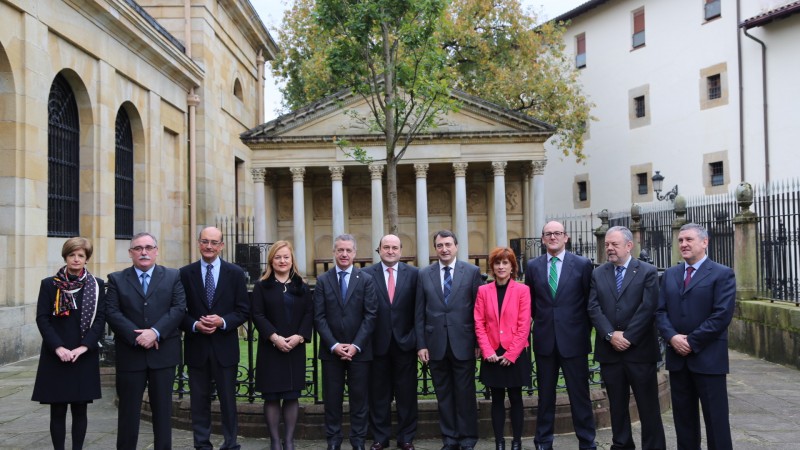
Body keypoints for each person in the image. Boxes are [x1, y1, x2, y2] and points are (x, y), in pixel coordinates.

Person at [655, 223, 736, 450]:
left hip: (709, 360)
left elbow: (721, 316)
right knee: (684, 422)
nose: (683, 244)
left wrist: (691, 341)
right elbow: (660, 311)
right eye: (680, 240)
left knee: (716, 422)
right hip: (678, 361)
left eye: (689, 239)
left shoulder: (722, 274)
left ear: (704, 242)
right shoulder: (670, 274)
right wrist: (672, 338)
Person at [587, 226, 666, 450]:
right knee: (617, 406)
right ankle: (621, 445)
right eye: (607, 245)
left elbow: (649, 307)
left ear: (629, 246)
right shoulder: (598, 272)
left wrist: (628, 337)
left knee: (648, 406)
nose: (609, 248)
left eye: (614, 244)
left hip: (640, 351)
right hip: (610, 352)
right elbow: (593, 308)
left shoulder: (647, 271)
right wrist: (611, 335)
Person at [105, 232, 186, 450]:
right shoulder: (116, 279)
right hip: (131, 356)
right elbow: (112, 312)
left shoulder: (172, 276)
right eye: (138, 248)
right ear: (130, 253)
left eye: (148, 247)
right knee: (128, 413)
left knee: (162, 413)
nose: (144, 252)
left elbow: (178, 309)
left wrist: (156, 332)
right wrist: (138, 337)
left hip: (163, 355)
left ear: (156, 251)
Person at [524, 221, 596, 450]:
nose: (553, 237)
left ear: (566, 237)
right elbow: (531, 304)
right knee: (546, 396)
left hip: (574, 340)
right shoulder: (533, 266)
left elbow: (589, 303)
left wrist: (582, 331)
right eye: (548, 234)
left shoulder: (583, 264)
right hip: (545, 340)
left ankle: (586, 441)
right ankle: (543, 441)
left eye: (557, 233)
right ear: (543, 239)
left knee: (580, 395)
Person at [31, 237, 106, 450]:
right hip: (56, 355)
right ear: (65, 257)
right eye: (72, 255)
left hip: (83, 354)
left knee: (80, 409)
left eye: (80, 255)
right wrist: (58, 347)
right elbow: (42, 318)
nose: (76, 259)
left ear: (86, 259)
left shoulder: (97, 286)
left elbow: (100, 318)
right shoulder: (49, 284)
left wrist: (84, 347)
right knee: (58, 410)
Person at [179, 226, 249, 450]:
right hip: (197, 346)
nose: (209, 246)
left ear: (222, 245)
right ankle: (202, 444)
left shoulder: (236, 273)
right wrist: (195, 325)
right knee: (199, 402)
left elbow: (243, 310)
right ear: (199, 243)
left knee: (228, 401)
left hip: (224, 347)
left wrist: (223, 322)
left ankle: (230, 443)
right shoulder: (184, 273)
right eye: (205, 241)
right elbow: (179, 311)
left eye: (214, 242)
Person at [415, 230, 483, 450]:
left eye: (448, 245)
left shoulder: (472, 272)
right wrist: (421, 344)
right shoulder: (424, 274)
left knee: (465, 394)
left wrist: (477, 344)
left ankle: (467, 439)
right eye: (439, 245)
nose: (444, 249)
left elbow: (478, 311)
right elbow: (419, 313)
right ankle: (450, 439)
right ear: (435, 248)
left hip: (463, 343)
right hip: (435, 344)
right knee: (443, 394)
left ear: (456, 246)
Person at [313, 234, 378, 450]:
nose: (344, 254)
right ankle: (333, 441)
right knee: (332, 400)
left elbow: (371, 315)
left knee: (360, 400)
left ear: (355, 253)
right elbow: (319, 317)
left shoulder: (366, 279)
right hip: (331, 352)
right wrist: (334, 345)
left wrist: (355, 345)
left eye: (348, 250)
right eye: (340, 250)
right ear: (334, 252)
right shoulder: (323, 280)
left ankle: (358, 441)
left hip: (360, 351)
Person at [252, 240, 313, 450]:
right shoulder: (262, 286)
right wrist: (274, 337)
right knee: (271, 396)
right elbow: (257, 314)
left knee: (291, 396)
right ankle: (275, 442)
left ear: (292, 259)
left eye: (286, 256)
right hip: (271, 348)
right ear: (271, 260)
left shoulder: (302, 286)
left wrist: (299, 337)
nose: (282, 260)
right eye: (278, 257)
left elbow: (308, 314)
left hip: (295, 348)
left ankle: (289, 441)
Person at [363, 235, 420, 450]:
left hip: (406, 343)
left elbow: (419, 310)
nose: (390, 251)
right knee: (379, 394)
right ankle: (380, 438)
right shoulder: (366, 275)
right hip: (377, 344)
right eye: (386, 247)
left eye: (394, 247)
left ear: (401, 250)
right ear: (379, 250)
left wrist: (416, 339)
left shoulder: (415, 275)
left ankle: (406, 437)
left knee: (406, 394)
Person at [474, 247, 531, 450]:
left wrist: (512, 353)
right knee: (496, 399)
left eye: (505, 263)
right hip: (492, 353)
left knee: (516, 398)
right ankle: (499, 442)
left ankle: (516, 441)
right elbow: (478, 323)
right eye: (497, 263)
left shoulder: (522, 290)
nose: (501, 266)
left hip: (513, 353)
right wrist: (487, 350)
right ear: (492, 266)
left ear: (512, 266)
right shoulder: (483, 291)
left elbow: (524, 324)